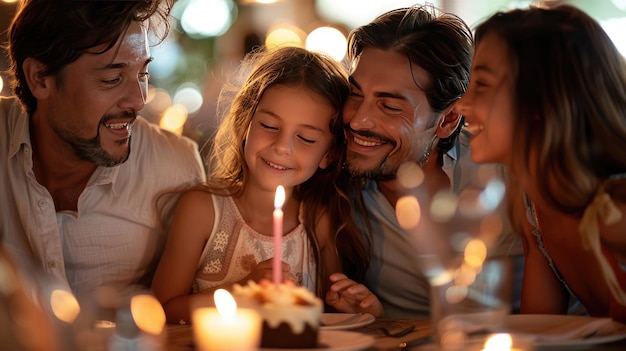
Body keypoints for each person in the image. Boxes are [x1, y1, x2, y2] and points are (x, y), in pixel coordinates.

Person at [325, 4, 524, 319]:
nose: (358, 120)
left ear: (448, 120)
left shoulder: (505, 173)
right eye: (354, 94)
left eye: (389, 106)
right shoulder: (330, 181)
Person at [0, 0, 206, 300]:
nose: (138, 101)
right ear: (40, 78)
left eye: (143, 75)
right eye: (112, 78)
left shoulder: (176, 169)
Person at [151, 46, 362, 324]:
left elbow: (326, 319)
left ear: (329, 154)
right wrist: (242, 292)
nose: (281, 147)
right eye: (269, 126)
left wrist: (355, 309)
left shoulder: (318, 220)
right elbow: (160, 311)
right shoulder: (203, 209)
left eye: (306, 139)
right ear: (245, 123)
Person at [457, 4, 626, 322]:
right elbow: (540, 329)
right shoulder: (531, 206)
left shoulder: (618, 211)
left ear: (541, 96)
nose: (463, 104)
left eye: (481, 85)